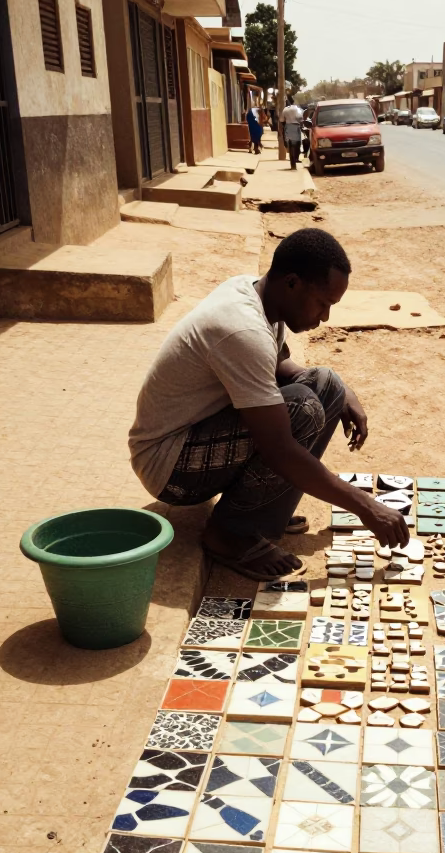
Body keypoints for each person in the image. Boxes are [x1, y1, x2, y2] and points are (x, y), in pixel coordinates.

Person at [129, 228, 410, 580]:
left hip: (198, 439)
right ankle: (229, 535)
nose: (325, 318)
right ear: (292, 283)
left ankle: (261, 515)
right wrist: (366, 507)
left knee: (325, 385)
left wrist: (343, 390)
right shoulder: (242, 331)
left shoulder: (259, 294)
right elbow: (278, 449)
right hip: (169, 467)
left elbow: (281, 368)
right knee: (300, 410)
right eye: (323, 303)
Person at [280, 95, 304, 169]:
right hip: (296, 127)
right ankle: (296, 158)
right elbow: (301, 118)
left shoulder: (285, 109)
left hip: (288, 127)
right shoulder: (298, 109)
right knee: (298, 144)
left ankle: (293, 163)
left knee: (289, 145)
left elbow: (281, 120)